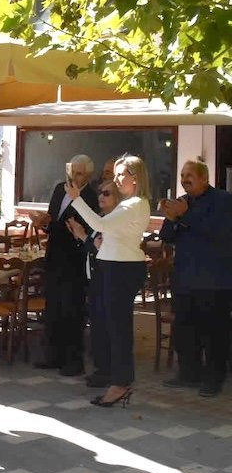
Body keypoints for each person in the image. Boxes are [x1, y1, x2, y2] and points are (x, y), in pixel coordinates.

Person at [66, 155, 151, 408]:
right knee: (113, 327)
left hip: (122, 269)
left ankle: (121, 383)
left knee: (118, 329)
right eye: (115, 174)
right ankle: (119, 380)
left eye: (121, 174)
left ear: (135, 178)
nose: (116, 179)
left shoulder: (134, 204)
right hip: (114, 266)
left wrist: (76, 199)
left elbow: (99, 223)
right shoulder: (131, 203)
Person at [159, 160, 232, 397]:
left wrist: (186, 215)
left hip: (214, 280)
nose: (184, 179)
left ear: (204, 178)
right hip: (185, 279)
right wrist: (171, 218)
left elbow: (219, 233)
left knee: (213, 333)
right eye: (182, 175)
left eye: (189, 175)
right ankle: (189, 374)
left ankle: (213, 378)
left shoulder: (222, 200)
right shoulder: (183, 202)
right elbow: (167, 236)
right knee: (185, 330)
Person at [30, 155, 98, 376]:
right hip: (55, 256)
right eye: (72, 173)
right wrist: (44, 223)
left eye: (79, 174)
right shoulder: (60, 189)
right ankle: (53, 356)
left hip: (75, 260)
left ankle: (73, 361)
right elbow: (53, 219)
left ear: (88, 175)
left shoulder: (91, 195)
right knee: (53, 309)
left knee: (72, 310)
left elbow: (91, 228)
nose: (74, 178)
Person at [66, 179, 123, 389]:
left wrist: (84, 236)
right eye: (100, 192)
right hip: (94, 279)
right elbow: (92, 247)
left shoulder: (116, 221)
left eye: (107, 194)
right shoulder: (99, 219)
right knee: (98, 326)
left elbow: (102, 248)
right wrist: (81, 236)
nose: (101, 197)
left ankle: (108, 371)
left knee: (106, 327)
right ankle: (101, 369)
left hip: (108, 279)